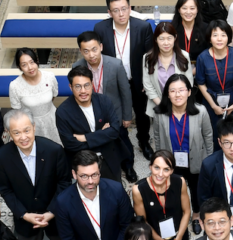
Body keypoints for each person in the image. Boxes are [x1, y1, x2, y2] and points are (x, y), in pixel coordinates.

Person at [0, 109, 72, 240]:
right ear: (8, 133)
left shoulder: (54, 150)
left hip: (56, 215)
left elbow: (64, 183)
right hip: (25, 218)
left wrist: (51, 212)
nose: (23, 137)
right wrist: (24, 214)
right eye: (16, 132)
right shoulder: (1, 156)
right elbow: (5, 189)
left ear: (34, 127)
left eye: (27, 130)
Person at [94, 0, 156, 161]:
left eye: (124, 9)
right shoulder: (100, 28)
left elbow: (150, 57)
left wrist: (146, 81)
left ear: (130, 8)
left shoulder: (143, 27)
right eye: (116, 10)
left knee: (142, 114)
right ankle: (122, 145)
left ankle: (144, 141)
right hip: (113, 81)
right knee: (116, 113)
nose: (121, 14)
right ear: (109, 12)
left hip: (137, 79)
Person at [74, 30, 138, 182]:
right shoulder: (77, 67)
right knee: (101, 143)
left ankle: (128, 165)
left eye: (94, 49)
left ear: (101, 47)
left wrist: (127, 116)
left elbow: (125, 92)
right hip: (93, 114)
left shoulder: (115, 64)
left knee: (122, 140)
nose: (91, 55)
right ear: (81, 51)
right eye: (86, 51)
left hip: (114, 113)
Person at [151, 74, 214, 220]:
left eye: (181, 90)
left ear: (189, 92)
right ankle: (178, 213)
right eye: (173, 91)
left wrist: (209, 161)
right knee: (173, 189)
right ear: (167, 94)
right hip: (170, 160)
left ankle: (196, 213)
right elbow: (157, 137)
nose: (177, 94)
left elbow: (208, 136)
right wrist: (159, 161)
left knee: (196, 189)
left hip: (195, 159)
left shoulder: (200, 111)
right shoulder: (160, 113)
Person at [55, 66, 127, 183]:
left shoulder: (104, 101)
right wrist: (103, 135)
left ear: (92, 84)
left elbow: (114, 131)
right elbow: (70, 144)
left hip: (108, 157)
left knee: (114, 188)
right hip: (82, 162)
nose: (83, 91)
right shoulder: (62, 112)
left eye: (86, 85)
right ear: (70, 87)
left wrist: (85, 137)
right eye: (78, 86)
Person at [133, 151, 192, 240]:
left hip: (179, 234)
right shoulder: (138, 189)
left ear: (172, 171)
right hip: (155, 239)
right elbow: (144, 222)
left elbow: (186, 212)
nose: (160, 174)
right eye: (156, 168)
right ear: (150, 167)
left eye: (166, 169)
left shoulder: (179, 182)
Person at [196, 20, 233, 150]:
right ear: (209, 38)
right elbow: (201, 84)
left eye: (223, 35)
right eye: (215, 35)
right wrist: (213, 105)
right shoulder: (202, 58)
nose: (219, 39)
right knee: (215, 137)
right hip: (212, 102)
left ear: (229, 37)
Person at [9, 48, 61, 145]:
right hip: (31, 124)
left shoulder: (49, 77)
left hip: (52, 118)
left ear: (37, 61)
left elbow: (54, 96)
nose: (30, 67)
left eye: (32, 62)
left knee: (58, 146)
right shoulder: (15, 86)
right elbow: (17, 111)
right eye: (24, 65)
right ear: (19, 67)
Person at [144, 22, 194, 121]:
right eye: (161, 39)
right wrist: (162, 106)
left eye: (169, 38)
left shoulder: (184, 56)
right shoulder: (147, 58)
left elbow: (189, 83)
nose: (166, 43)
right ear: (156, 40)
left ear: (175, 38)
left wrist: (176, 105)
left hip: (181, 106)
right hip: (158, 106)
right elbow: (147, 85)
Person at [173, 0, 210, 65]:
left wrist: (197, 69)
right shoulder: (172, 29)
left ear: (197, 9)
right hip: (176, 67)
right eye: (184, 8)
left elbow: (210, 54)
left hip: (200, 67)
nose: (188, 12)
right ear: (179, 10)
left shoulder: (206, 28)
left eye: (192, 8)